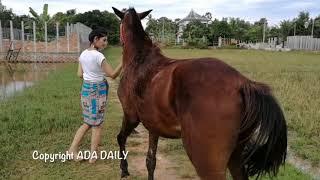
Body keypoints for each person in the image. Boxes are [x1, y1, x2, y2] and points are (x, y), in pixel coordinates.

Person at [68, 28, 122, 163]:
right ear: (95, 39)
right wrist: (124, 61)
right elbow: (113, 75)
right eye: (104, 40)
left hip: (86, 89)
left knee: (88, 122)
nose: (106, 43)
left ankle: (84, 152)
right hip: (97, 90)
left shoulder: (83, 54)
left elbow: (80, 74)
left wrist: (92, 75)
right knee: (96, 124)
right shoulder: (99, 56)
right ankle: (81, 152)